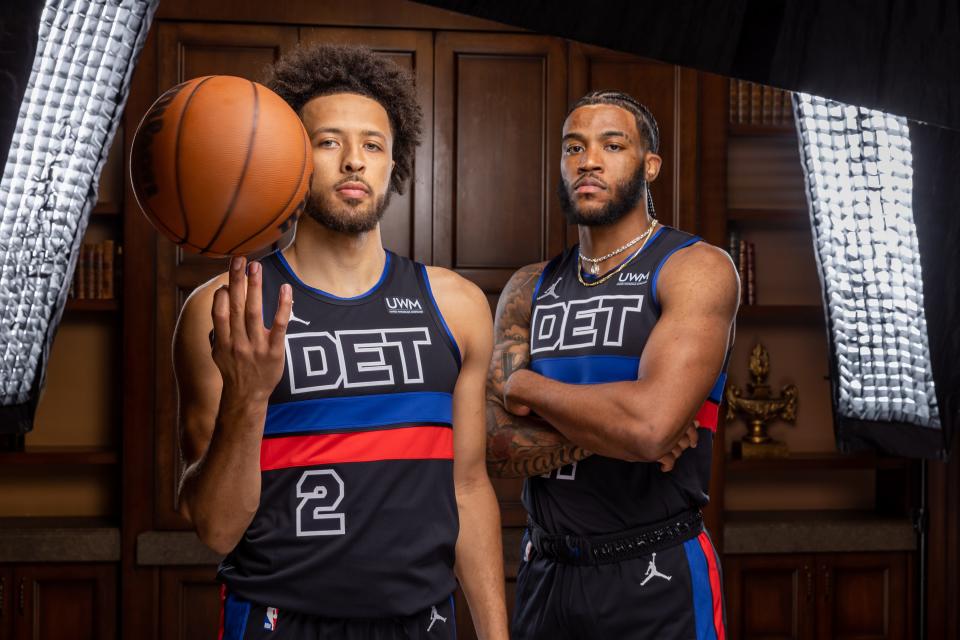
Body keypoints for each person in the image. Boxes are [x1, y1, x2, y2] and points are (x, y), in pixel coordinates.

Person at [174, 44, 508, 640]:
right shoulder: (226, 308)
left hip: (422, 620)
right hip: (279, 619)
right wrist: (249, 397)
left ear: (394, 161)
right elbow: (216, 530)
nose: (354, 161)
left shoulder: (455, 307)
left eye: (372, 145)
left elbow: (468, 486)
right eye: (328, 142)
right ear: (289, 160)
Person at [486, 90, 739, 639]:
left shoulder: (693, 268)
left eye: (612, 144)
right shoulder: (531, 286)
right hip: (545, 568)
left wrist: (528, 385)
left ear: (650, 165)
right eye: (573, 146)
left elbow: (649, 427)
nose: (589, 160)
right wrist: (620, 428)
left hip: (656, 567)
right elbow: (492, 442)